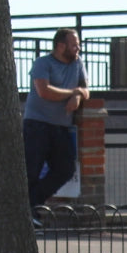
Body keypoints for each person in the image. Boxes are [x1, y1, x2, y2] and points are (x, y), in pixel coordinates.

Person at [23, 28, 89, 211]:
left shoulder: (77, 63)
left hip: (61, 127)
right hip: (37, 125)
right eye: (74, 45)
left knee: (65, 169)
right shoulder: (42, 63)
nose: (78, 49)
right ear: (60, 46)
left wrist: (78, 96)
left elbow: (86, 89)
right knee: (31, 172)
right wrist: (73, 92)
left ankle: (34, 202)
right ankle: (27, 213)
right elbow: (44, 91)